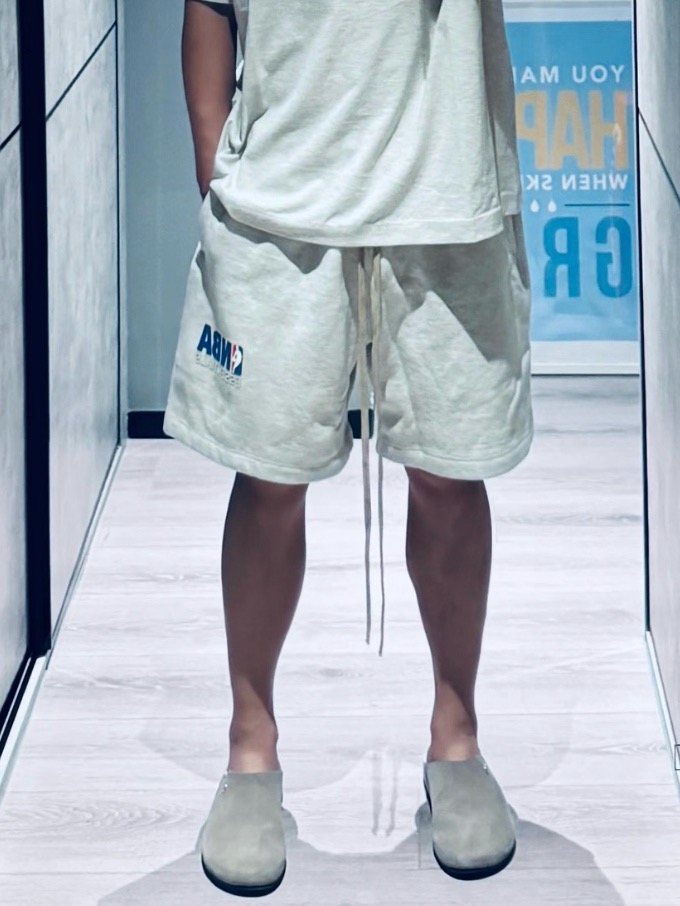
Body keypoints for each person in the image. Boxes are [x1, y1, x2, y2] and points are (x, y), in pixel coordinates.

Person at [165, 0, 534, 896]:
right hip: (281, 194)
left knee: (449, 473)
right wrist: (214, 162)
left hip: (445, 186)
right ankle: (250, 747)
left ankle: (457, 738)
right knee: (269, 476)